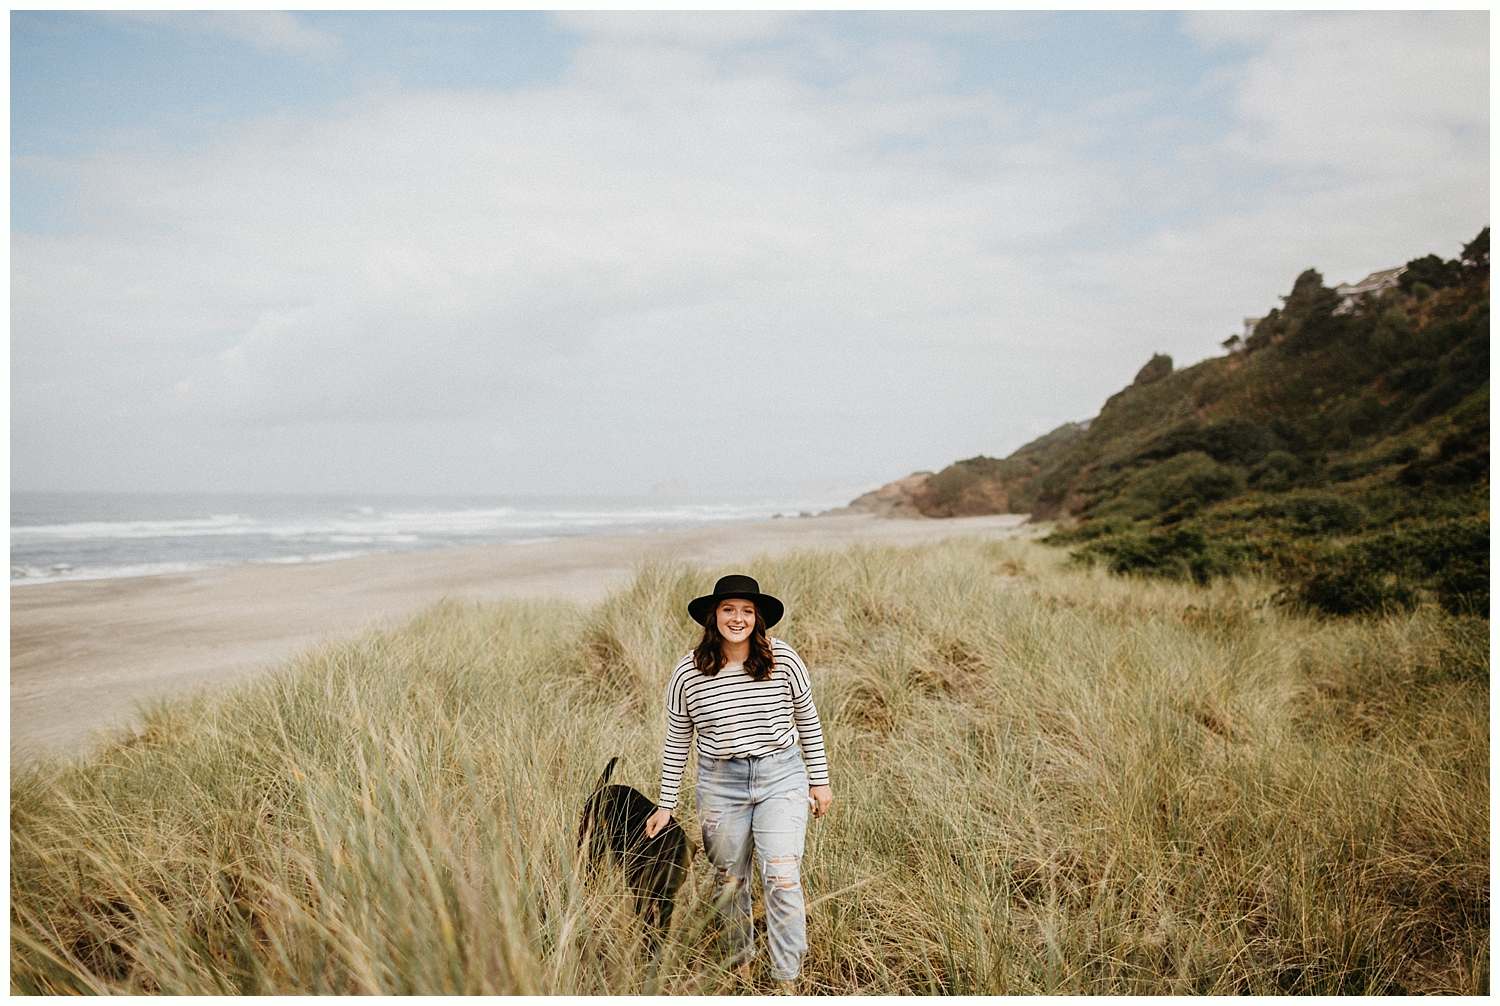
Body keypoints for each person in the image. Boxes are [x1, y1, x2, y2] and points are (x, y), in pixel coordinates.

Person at [644, 573, 833, 987]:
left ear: (757, 619)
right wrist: (665, 803)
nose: (738, 618)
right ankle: (740, 970)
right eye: (729, 609)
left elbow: (808, 719)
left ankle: (787, 980)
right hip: (720, 786)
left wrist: (819, 781)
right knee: (730, 884)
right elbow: (678, 739)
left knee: (782, 880)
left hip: (781, 777)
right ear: (713, 616)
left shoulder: (783, 659)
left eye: (747, 611)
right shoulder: (688, 672)